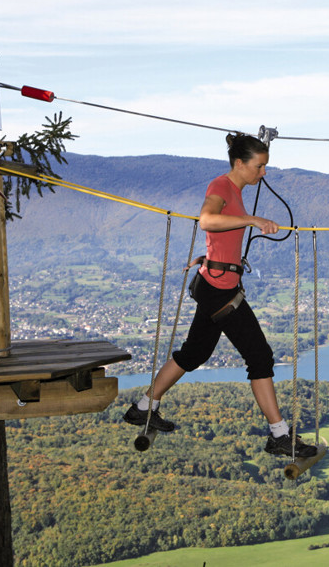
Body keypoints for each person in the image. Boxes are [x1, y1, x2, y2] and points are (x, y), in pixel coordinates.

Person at [124, 133, 317, 458]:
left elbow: (220, 235)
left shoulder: (235, 191)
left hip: (217, 283)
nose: (263, 173)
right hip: (219, 290)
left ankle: (144, 407)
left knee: (194, 353)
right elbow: (207, 220)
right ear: (240, 164)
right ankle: (279, 435)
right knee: (259, 357)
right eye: (260, 166)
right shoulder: (221, 186)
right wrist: (252, 220)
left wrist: (212, 257)